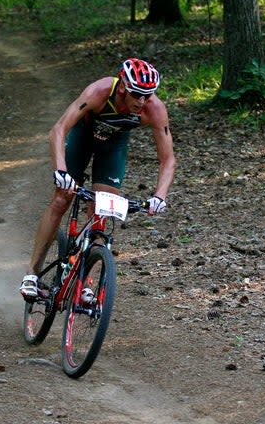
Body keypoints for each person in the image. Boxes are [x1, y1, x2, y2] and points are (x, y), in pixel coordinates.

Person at [20, 57, 176, 299]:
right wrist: (61, 170)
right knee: (62, 199)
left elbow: (168, 159)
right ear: (123, 86)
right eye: (137, 94)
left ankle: (84, 276)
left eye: (149, 95)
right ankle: (32, 273)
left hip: (113, 146)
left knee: (102, 211)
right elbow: (59, 129)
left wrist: (160, 195)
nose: (142, 101)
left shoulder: (154, 109)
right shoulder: (99, 92)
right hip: (83, 137)